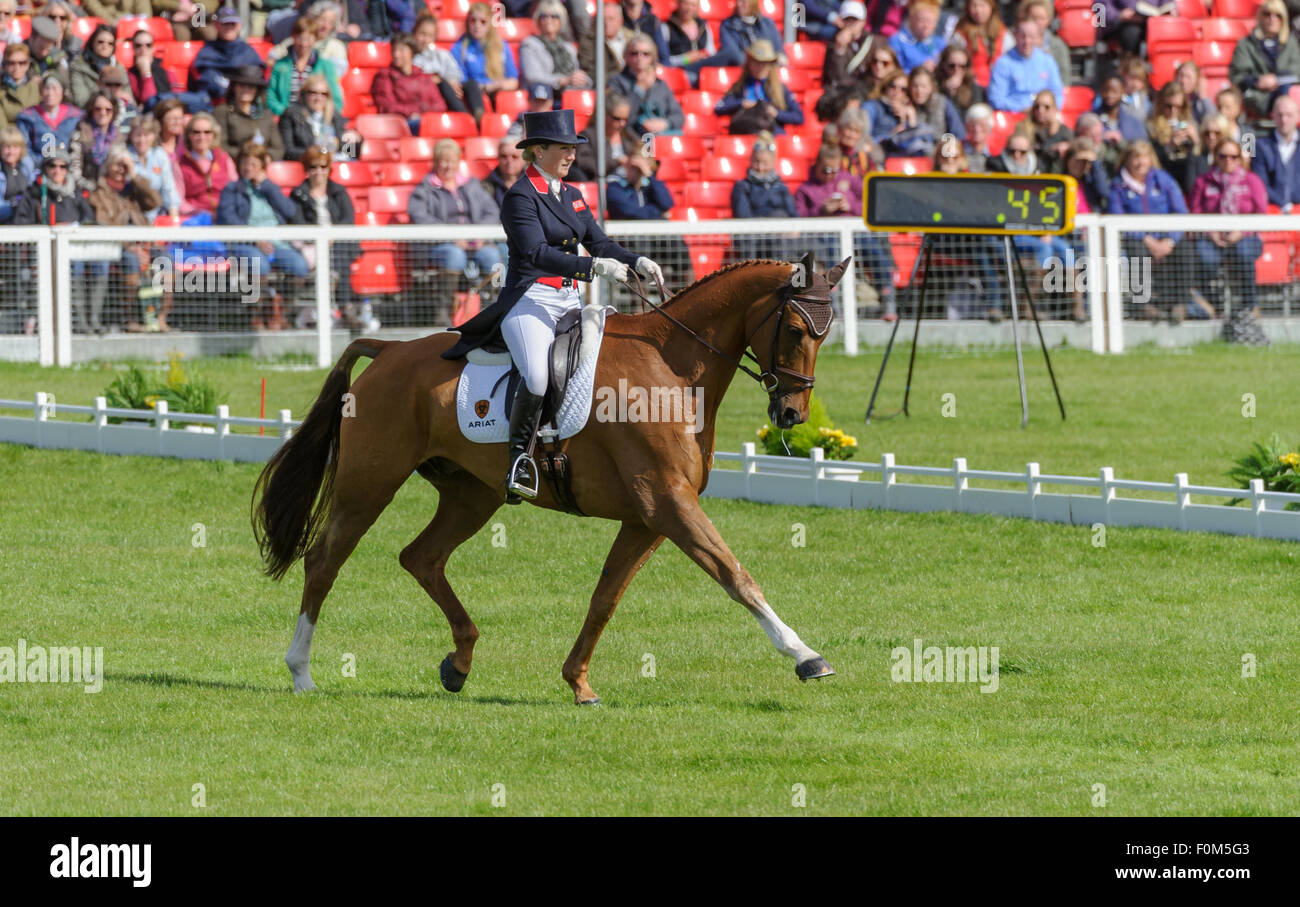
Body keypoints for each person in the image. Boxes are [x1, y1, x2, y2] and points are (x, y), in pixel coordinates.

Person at [441, 108, 653, 503]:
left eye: (573, 148)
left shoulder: (572, 195)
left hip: (569, 300)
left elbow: (599, 242)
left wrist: (632, 260)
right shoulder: (520, 197)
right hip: (531, 299)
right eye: (564, 148)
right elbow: (536, 253)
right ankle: (520, 459)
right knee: (537, 376)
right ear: (538, 151)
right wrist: (592, 266)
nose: (572, 155)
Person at [795, 143, 898, 318]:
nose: (830, 174)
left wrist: (850, 206)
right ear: (817, 164)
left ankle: (888, 299)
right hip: (824, 238)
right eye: (826, 170)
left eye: (834, 170)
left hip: (855, 234)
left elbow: (868, 205)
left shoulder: (849, 179)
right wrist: (821, 211)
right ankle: (833, 304)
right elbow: (799, 218)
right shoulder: (805, 189)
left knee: (875, 251)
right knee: (831, 255)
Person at [217, 141, 310, 329]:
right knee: (260, 264)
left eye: (253, 164)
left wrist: (267, 187)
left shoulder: (269, 188)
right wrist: (255, 239)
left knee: (299, 266)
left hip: (277, 243)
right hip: (246, 244)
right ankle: (256, 314)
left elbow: (290, 212)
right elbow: (228, 220)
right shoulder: (232, 190)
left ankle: (280, 313)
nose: (248, 168)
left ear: (262, 167)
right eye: (245, 163)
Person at [407, 137, 505, 299]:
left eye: (452, 161)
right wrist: (452, 238)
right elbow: (420, 218)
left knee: (492, 256)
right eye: (444, 161)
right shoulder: (423, 190)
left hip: (475, 242)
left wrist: (479, 236)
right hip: (441, 245)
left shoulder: (471, 185)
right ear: (435, 162)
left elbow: (492, 212)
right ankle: (446, 308)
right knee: (455, 254)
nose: (448, 166)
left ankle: (495, 305)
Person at [1107, 141, 1192, 321]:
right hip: (1136, 238)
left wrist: (1169, 241)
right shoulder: (1118, 185)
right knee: (1136, 252)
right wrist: (1146, 239)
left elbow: (1180, 212)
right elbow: (1117, 217)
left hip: (1165, 238)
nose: (1140, 162)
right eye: (1135, 157)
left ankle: (1180, 304)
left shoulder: (1163, 180)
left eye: (1144, 157)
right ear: (1126, 160)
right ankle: (1142, 305)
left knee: (1186, 249)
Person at [1188, 138, 1267, 323]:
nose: (1228, 161)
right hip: (1211, 237)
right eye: (1223, 156)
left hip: (1246, 236)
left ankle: (1250, 304)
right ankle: (1211, 305)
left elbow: (1261, 213)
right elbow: (1196, 212)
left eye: (1233, 156)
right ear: (1215, 157)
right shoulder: (1203, 182)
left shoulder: (1252, 180)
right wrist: (1211, 232)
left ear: (1240, 158)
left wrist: (1242, 231)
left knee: (1244, 253)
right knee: (1205, 256)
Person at [87, 145, 161, 331]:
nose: (121, 168)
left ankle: (160, 318)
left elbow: (154, 202)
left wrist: (134, 175)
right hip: (118, 246)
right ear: (107, 166)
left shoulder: (134, 189)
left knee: (166, 258)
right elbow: (103, 225)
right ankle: (130, 319)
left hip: (143, 243)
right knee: (131, 260)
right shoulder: (99, 192)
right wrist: (131, 247)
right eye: (117, 164)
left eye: (125, 164)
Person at [289, 144, 363, 327]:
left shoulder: (338, 191)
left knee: (341, 251)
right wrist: (319, 236)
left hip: (338, 242)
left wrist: (332, 234)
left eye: (322, 167)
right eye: (313, 167)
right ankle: (343, 306)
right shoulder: (298, 194)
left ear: (329, 169)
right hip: (312, 244)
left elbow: (348, 219)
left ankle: (343, 304)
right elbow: (297, 222)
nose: (318, 172)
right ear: (307, 170)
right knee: (336, 255)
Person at [605, 131, 689, 282]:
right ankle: (639, 303)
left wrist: (649, 175)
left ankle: (686, 293)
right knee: (639, 249)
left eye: (640, 168)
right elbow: (629, 212)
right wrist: (658, 213)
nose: (636, 172)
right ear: (627, 164)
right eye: (633, 166)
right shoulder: (615, 187)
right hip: (628, 240)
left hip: (654, 239)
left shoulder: (651, 186)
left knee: (677, 244)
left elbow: (667, 204)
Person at [729, 131, 799, 262]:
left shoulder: (781, 187)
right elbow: (744, 217)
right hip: (755, 238)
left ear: (773, 162)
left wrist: (793, 229)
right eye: (756, 162)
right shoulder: (742, 186)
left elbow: (793, 214)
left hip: (779, 239)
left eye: (765, 163)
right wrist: (773, 228)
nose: (760, 168)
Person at [715, 39, 803, 136]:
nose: (760, 67)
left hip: (772, 137)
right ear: (749, 63)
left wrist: (776, 113)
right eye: (756, 62)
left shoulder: (780, 88)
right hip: (745, 134)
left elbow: (799, 117)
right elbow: (719, 107)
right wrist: (741, 103)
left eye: (765, 63)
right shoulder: (740, 87)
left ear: (771, 65)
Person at [1229, 0, 1300, 121]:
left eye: (1278, 15)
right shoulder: (1246, 44)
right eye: (1267, 14)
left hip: (1287, 104)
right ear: (1260, 16)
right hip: (1256, 101)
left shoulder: (1291, 43)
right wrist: (1257, 81)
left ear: (1284, 19)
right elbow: (1238, 75)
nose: (1272, 19)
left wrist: (1276, 78)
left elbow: (1297, 71)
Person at [450, 1, 520, 111]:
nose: (477, 25)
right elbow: (461, 82)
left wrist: (499, 85)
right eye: (473, 20)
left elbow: (513, 80)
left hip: (499, 93)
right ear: (468, 23)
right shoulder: (459, 48)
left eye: (483, 21)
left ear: (489, 24)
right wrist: (487, 87)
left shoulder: (501, 46)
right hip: (474, 97)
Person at [189, 8, 267, 106]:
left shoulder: (247, 51)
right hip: (212, 102)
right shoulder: (208, 50)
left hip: (243, 102)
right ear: (216, 25)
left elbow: (258, 78)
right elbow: (205, 77)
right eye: (225, 24)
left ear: (239, 26)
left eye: (233, 24)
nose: (229, 27)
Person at [610, 34, 684, 137]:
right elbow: (618, 117)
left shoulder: (660, 85)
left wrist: (665, 123)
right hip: (630, 140)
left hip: (660, 140)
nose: (640, 57)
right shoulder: (616, 82)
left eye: (646, 54)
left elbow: (678, 116)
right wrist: (639, 88)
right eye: (634, 53)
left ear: (652, 58)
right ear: (625, 57)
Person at [372, 33, 447, 134]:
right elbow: (388, 106)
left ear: (412, 52)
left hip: (426, 120)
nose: (396, 54)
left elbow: (440, 105)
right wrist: (412, 112)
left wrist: (421, 111)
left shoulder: (422, 76)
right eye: (394, 50)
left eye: (401, 50)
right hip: (401, 123)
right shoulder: (385, 76)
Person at [268, 15, 342, 117]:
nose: (304, 43)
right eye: (300, 38)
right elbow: (271, 97)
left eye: (308, 39)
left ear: (315, 39)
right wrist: (287, 114)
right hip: (286, 118)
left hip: (316, 119)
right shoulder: (280, 65)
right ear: (293, 37)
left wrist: (323, 116)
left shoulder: (326, 66)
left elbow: (336, 100)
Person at [279, 71, 361, 162]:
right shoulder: (291, 115)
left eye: (323, 94)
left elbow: (348, 154)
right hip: (307, 166)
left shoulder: (335, 117)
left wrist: (351, 141)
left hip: (332, 165)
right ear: (304, 94)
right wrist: (318, 155)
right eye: (313, 93)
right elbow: (288, 151)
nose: (318, 98)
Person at [816, 5, 877, 122]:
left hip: (865, 92)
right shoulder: (834, 44)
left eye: (855, 20)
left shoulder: (874, 42)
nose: (850, 23)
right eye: (847, 19)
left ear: (863, 22)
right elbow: (835, 78)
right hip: (843, 93)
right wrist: (839, 50)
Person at [987, 20, 1062, 112]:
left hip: (1043, 115)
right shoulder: (1003, 63)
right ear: (1015, 35)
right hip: (1013, 115)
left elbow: (1057, 94)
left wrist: (1046, 110)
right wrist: (1022, 109)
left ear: (1038, 37)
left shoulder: (1047, 61)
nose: (1027, 41)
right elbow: (996, 99)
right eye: (1022, 36)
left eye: (1031, 37)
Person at [412, 11, 476, 117]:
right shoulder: (412, 57)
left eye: (429, 35)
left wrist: (453, 81)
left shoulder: (442, 54)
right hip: (431, 90)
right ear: (414, 33)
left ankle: (479, 117)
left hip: (449, 87)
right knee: (443, 84)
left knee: (471, 84)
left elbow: (454, 70)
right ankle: (466, 117)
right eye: (422, 34)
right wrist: (439, 80)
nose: (425, 39)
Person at [520, 0, 592, 95]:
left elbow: (576, 73)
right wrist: (561, 80)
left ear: (561, 20)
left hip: (568, 94)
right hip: (543, 97)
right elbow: (532, 76)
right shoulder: (529, 44)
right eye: (543, 16)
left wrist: (583, 80)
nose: (548, 20)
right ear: (538, 20)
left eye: (554, 16)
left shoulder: (568, 47)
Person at [216, 65, 286, 161]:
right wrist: (247, 157)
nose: (246, 90)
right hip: (235, 165)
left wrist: (265, 158)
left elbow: (278, 148)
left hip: (263, 167)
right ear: (234, 87)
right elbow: (220, 145)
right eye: (241, 85)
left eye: (251, 87)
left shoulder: (266, 114)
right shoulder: (223, 111)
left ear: (256, 90)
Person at [176, 111, 236, 217]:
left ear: (213, 134)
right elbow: (179, 201)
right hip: (196, 218)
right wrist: (201, 214)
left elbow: (235, 189)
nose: (202, 137)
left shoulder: (224, 158)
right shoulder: (180, 164)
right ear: (189, 135)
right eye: (196, 132)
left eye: (207, 132)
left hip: (225, 215)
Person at [17, 74, 80, 172]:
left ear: (63, 91)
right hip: (37, 167)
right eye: (46, 88)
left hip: (65, 168)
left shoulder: (74, 116)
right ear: (41, 91)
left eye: (55, 88)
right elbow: (25, 146)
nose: (50, 93)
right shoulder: (29, 116)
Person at [867, 68, 934, 156]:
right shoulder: (873, 107)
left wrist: (911, 122)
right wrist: (890, 136)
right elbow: (863, 139)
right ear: (885, 87)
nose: (897, 92)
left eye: (903, 89)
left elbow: (921, 146)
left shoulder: (911, 111)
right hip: (878, 157)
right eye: (893, 86)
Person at [1146, 82, 1200, 191]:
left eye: (1178, 106)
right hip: (1165, 174)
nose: (1173, 111)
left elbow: (1200, 156)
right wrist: (1169, 146)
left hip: (1188, 175)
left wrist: (1196, 140)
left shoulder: (1189, 123)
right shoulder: (1151, 126)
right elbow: (1153, 158)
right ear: (1161, 104)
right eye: (1168, 106)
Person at [127, 115, 182, 219]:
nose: (142, 139)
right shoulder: (125, 155)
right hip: (133, 213)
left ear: (154, 135)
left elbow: (168, 188)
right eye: (138, 135)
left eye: (146, 135)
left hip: (157, 214)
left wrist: (173, 214)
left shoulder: (159, 154)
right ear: (131, 136)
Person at [1251, 94, 1300, 211]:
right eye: (1280, 115)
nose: (1284, 120)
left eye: (1289, 115)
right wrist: (1282, 204)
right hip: (1271, 212)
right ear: (1273, 116)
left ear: (1297, 116)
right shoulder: (1259, 146)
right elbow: (1260, 183)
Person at [68, 90, 122, 192]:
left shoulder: (118, 138)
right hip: (83, 192)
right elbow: (74, 172)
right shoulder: (80, 134)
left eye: (108, 109)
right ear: (91, 110)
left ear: (114, 111)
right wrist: (95, 188)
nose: (103, 113)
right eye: (98, 109)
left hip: (110, 191)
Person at [949, 0, 1011, 88]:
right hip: (971, 84)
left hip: (997, 84)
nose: (978, 10)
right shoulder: (961, 33)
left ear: (991, 7)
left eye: (982, 6)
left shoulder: (1003, 33)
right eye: (974, 6)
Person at [571, 93, 630, 181]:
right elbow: (584, 163)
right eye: (617, 118)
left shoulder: (628, 135)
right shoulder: (587, 136)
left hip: (630, 185)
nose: (622, 124)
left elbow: (645, 150)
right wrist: (617, 161)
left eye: (625, 119)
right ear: (603, 115)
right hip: (604, 185)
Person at [908, 66, 964, 154]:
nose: (919, 91)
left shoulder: (943, 103)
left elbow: (958, 133)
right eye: (915, 86)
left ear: (931, 87)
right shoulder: (905, 106)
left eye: (923, 86)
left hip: (941, 154)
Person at [659, 0, 715, 88]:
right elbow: (664, 61)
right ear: (678, 4)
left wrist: (703, 55)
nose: (689, 8)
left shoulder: (704, 26)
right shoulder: (666, 27)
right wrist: (685, 59)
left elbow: (712, 52)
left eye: (693, 5)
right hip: (681, 72)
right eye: (686, 4)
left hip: (703, 69)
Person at [715, 0, 784, 68]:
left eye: (743, 1)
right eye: (737, 1)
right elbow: (733, 54)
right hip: (745, 70)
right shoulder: (728, 24)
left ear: (753, 3)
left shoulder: (767, 23)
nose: (739, 4)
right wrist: (754, 61)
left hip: (768, 68)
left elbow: (779, 52)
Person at [1018, 0, 1070, 89]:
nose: (1038, 22)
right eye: (1033, 18)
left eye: (1042, 18)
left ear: (1048, 20)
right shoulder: (1018, 42)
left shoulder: (1058, 46)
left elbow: (1064, 80)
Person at [1183, 113, 1236, 198]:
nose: (1212, 136)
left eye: (1217, 133)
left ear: (1225, 133)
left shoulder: (1235, 156)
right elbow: (1191, 189)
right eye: (1207, 133)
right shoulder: (1195, 157)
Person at [125, 26, 175, 112]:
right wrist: (146, 73)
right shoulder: (129, 75)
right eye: (138, 45)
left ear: (153, 48)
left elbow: (178, 98)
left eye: (148, 45)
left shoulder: (167, 72)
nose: (143, 49)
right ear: (133, 48)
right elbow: (149, 101)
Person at [68, 24, 118, 109]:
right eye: (100, 42)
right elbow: (81, 101)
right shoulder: (78, 68)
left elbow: (129, 98)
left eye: (110, 43)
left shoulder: (119, 68)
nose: (105, 46)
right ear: (92, 43)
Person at [890, 0, 945, 73]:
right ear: (911, 20)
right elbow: (894, 72)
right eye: (922, 20)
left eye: (930, 21)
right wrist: (919, 70)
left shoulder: (940, 44)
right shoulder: (897, 41)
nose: (926, 26)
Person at [1026, 88, 1071, 172]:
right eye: (1037, 106)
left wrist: (1067, 147)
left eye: (1046, 107)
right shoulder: (1025, 127)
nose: (1040, 110)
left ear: (1054, 108)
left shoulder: (1064, 131)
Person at [0, 125, 37, 223]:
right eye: (7, 147)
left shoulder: (28, 168)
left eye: (15, 147)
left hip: (27, 218)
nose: (11, 152)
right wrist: (14, 205)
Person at [0, 43, 41, 128]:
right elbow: (2, 128)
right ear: (4, 65)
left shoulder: (37, 87)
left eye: (22, 63)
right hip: (10, 138)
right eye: (11, 63)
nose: (16, 68)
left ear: (28, 64)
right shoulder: (1, 91)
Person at [936, 42, 984, 111]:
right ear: (943, 65)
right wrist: (946, 91)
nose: (957, 70)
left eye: (962, 66)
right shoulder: (935, 85)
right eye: (952, 66)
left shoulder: (973, 88)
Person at [481, 134, 524, 209]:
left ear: (524, 159)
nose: (509, 161)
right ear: (498, 158)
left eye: (514, 157)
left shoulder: (533, 185)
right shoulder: (486, 186)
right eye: (504, 156)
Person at [26, 16, 70, 87]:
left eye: (48, 49)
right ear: (32, 38)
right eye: (40, 48)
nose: (43, 53)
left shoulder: (58, 57)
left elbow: (65, 84)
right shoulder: (18, 56)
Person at [1175, 60, 1213, 127]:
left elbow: (1213, 120)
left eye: (1188, 77)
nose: (1184, 81)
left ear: (1197, 80)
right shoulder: (1171, 99)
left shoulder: (1200, 102)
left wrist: (1203, 97)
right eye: (1181, 76)